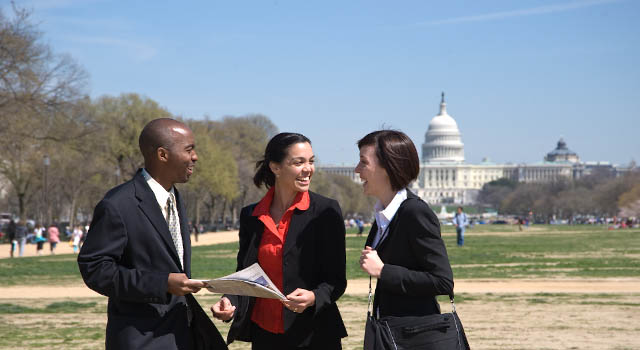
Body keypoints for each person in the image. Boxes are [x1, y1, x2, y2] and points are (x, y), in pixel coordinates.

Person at [77, 118, 225, 350]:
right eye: (189, 149)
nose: (195, 156)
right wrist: (161, 283)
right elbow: (95, 269)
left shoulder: (174, 197)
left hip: (180, 334)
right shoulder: (118, 204)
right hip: (141, 339)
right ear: (162, 155)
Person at [210, 132, 347, 350]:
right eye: (298, 162)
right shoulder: (250, 215)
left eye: (311, 161)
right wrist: (230, 301)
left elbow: (336, 280)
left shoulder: (326, 211)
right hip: (264, 335)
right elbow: (246, 275)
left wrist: (313, 296)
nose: (308, 169)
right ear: (275, 167)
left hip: (315, 335)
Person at [356, 130, 454, 328]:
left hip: (415, 335)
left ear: (387, 167)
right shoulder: (384, 215)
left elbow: (442, 281)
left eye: (364, 162)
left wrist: (384, 271)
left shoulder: (415, 212)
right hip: (392, 331)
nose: (357, 170)